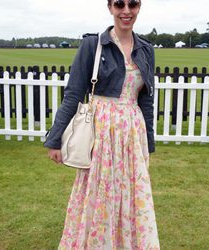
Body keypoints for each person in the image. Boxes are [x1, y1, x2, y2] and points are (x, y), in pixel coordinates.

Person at [44, 0, 160, 248]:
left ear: (140, 7)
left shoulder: (146, 50)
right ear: (109, 7)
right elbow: (74, 93)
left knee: (131, 195)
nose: (126, 11)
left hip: (131, 134)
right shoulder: (92, 45)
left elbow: (146, 100)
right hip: (101, 132)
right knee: (100, 194)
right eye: (119, 4)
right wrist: (55, 139)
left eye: (133, 4)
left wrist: (147, 143)